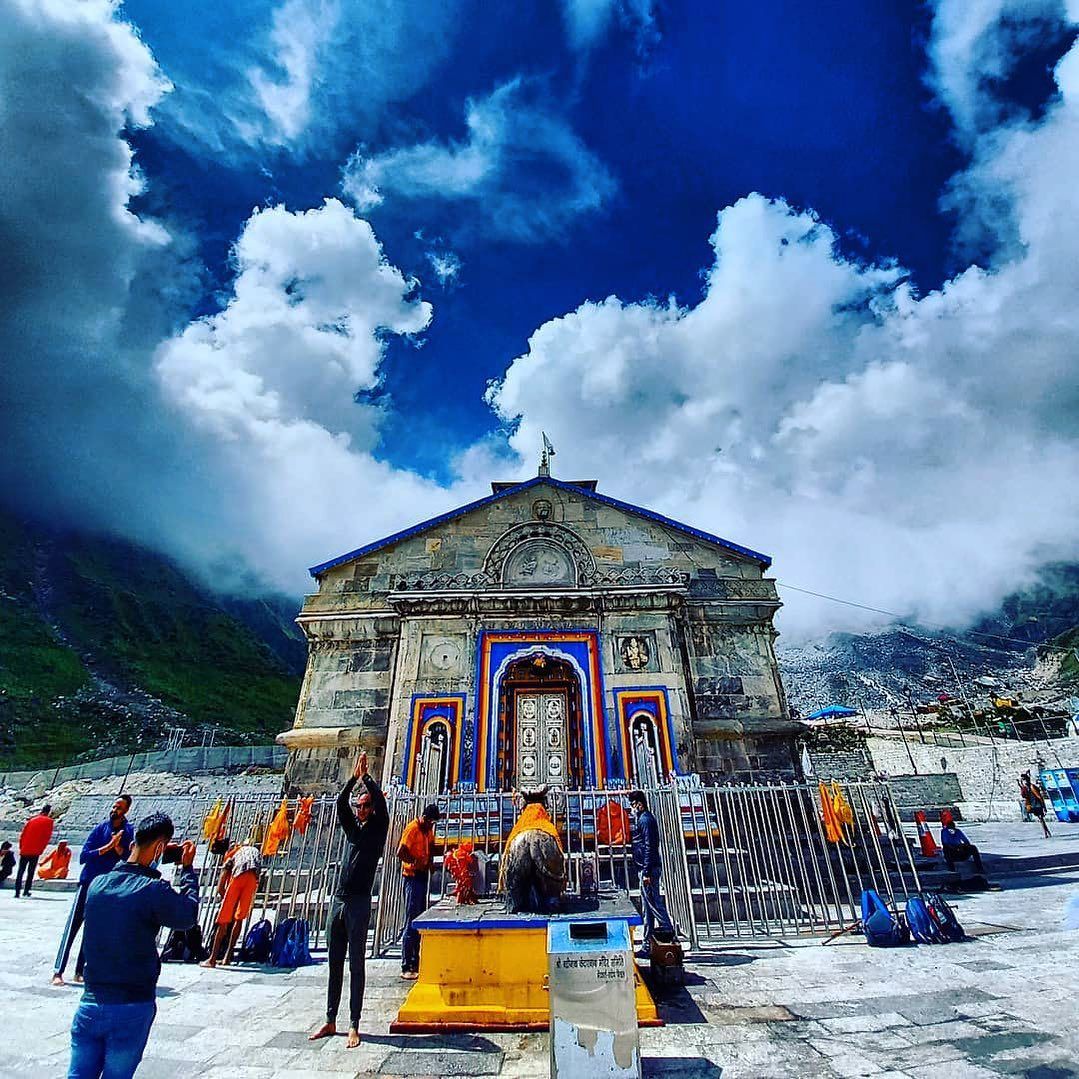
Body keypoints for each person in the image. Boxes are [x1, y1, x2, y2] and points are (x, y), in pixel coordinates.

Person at [67, 811, 199, 1079]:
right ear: (161, 847)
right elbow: (187, 916)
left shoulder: (97, 885)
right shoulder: (152, 889)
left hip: (90, 1001)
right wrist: (187, 870)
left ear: (131, 844)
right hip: (131, 1005)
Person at [309, 750, 388, 1049]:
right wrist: (353, 781)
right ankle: (330, 1019)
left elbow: (381, 803)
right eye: (359, 805)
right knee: (334, 963)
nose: (361, 809)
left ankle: (354, 1023)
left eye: (366, 805)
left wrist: (367, 778)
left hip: (358, 902)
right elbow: (340, 804)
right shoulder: (353, 829)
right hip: (339, 900)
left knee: (356, 964)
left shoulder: (378, 831)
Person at [53, 794, 134, 986]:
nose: (115, 810)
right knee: (73, 926)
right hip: (88, 881)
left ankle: (80, 970)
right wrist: (107, 847)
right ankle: (58, 970)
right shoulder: (100, 829)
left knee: (92, 929)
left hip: (105, 887)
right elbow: (84, 856)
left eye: (119, 808)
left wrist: (118, 848)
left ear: (126, 811)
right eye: (114, 807)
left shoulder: (128, 831)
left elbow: (128, 857)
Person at [397, 802, 442, 980]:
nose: (431, 825)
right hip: (412, 876)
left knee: (419, 920)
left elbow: (431, 847)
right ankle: (406, 964)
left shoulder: (427, 830)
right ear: (424, 818)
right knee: (411, 919)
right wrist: (415, 862)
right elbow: (400, 851)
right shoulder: (413, 828)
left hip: (422, 876)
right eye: (430, 822)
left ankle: (416, 962)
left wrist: (430, 862)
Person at [627, 791, 675, 958]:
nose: (631, 808)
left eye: (633, 804)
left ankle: (670, 936)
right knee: (647, 908)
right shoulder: (642, 819)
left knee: (655, 905)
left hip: (649, 869)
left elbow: (649, 846)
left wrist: (646, 871)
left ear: (639, 804)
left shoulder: (645, 820)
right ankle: (648, 944)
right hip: (644, 868)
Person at [202, 839, 262, 968]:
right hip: (252, 878)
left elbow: (220, 887)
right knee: (239, 919)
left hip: (238, 877)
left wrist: (228, 903)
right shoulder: (252, 851)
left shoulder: (231, 855)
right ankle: (227, 957)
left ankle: (212, 959)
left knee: (223, 921)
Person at [14, 804, 54, 898]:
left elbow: (23, 834)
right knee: (30, 871)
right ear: (48, 812)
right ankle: (26, 891)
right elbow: (46, 837)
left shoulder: (32, 820)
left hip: (25, 849)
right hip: (35, 851)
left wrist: (21, 847)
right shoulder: (49, 822)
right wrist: (41, 849)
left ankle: (17, 892)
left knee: (20, 871)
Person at [1019, 772, 1052, 837]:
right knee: (1041, 819)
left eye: (1025, 780)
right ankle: (1047, 832)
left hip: (1037, 804)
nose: (1024, 782)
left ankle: (1046, 833)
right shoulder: (1026, 787)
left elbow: (1039, 797)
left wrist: (1044, 807)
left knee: (1041, 819)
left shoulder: (1032, 787)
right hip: (1033, 804)